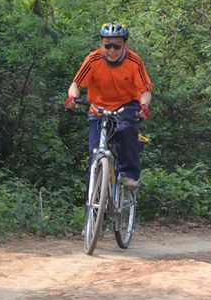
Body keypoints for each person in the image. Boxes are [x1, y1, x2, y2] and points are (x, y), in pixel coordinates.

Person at [64, 22, 153, 190]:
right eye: (107, 45)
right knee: (93, 157)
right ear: (102, 43)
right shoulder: (93, 59)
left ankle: (128, 175)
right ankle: (92, 205)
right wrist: (72, 98)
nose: (111, 50)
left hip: (125, 106)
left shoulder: (134, 61)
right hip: (98, 109)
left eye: (116, 46)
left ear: (124, 44)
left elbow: (146, 91)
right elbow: (76, 84)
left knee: (126, 129)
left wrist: (144, 106)